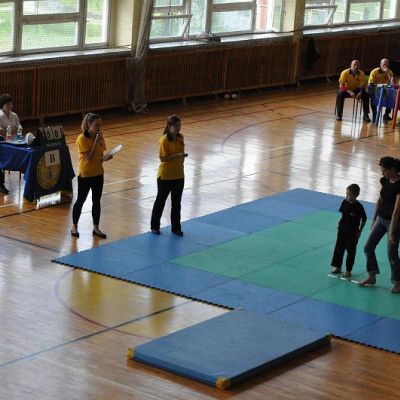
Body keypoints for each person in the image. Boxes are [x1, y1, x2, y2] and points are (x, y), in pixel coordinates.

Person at [358, 157, 400, 294]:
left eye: (385, 171)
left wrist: (392, 232)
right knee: (368, 247)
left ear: (392, 170)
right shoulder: (385, 181)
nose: (382, 173)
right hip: (381, 219)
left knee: (391, 252)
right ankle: (372, 276)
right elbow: (380, 200)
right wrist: (374, 219)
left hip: (394, 222)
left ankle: (397, 282)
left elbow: (396, 211)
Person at [71, 113, 112, 239]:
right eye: (96, 125)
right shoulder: (81, 139)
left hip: (98, 173)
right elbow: (88, 157)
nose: (99, 127)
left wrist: (105, 158)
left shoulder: (100, 137)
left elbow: (99, 156)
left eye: (100, 125)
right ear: (89, 125)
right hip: (86, 174)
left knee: (96, 200)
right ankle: (74, 226)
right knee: (81, 200)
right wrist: (95, 142)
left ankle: (96, 228)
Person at [150, 115, 188, 236]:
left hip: (179, 175)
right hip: (165, 177)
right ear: (169, 126)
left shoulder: (181, 137)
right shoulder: (164, 140)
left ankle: (176, 228)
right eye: (176, 126)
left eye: (180, 125)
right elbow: (163, 158)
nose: (179, 128)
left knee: (176, 203)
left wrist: (181, 156)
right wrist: (177, 155)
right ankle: (155, 226)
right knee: (160, 201)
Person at [331, 184, 367, 278]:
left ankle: (348, 270)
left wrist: (360, 231)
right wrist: (339, 222)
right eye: (347, 194)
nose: (347, 197)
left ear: (356, 195)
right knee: (339, 248)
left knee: (351, 251)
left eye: (350, 195)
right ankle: (338, 266)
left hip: (352, 232)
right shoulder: (344, 202)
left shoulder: (359, 207)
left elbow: (364, 219)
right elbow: (343, 214)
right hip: (342, 229)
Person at [0, 93, 22, 194]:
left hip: (15, 141)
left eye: (11, 104)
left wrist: (9, 131)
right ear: (2, 105)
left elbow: (19, 129)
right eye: (7, 104)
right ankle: (1, 184)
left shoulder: (14, 115)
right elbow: (1, 132)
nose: (10, 106)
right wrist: (11, 131)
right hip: (3, 143)